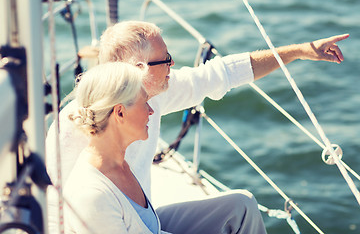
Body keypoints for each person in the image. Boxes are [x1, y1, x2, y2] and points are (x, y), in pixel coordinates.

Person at [46, 20, 349, 234]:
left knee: (241, 206)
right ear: (137, 70)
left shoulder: (156, 91)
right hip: (107, 223)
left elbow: (222, 74)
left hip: (147, 222)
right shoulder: (71, 132)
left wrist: (299, 51)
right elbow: (54, 208)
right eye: (165, 59)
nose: (172, 65)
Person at [62, 61, 169, 233]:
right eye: (145, 102)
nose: (151, 111)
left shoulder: (118, 164)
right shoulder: (92, 197)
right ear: (120, 113)